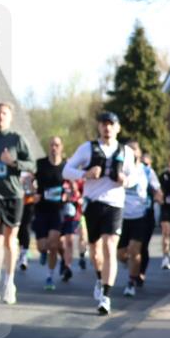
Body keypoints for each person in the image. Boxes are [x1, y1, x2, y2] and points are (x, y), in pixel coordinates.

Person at [63, 111, 134, 315]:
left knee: (110, 246)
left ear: (118, 128)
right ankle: (99, 277)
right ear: (99, 127)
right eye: (104, 124)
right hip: (93, 203)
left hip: (114, 203)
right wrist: (85, 174)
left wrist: (125, 180)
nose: (107, 128)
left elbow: (135, 176)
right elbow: (66, 171)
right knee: (95, 251)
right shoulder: (87, 148)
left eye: (111, 124)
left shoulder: (126, 151)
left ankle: (106, 296)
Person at [0, 103, 34, 304]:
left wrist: (13, 163)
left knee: (10, 241)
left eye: (4, 113)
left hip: (13, 195)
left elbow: (32, 164)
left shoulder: (17, 139)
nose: (1, 116)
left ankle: (9, 283)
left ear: (10, 117)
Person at [117, 140, 162, 297]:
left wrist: (159, 197)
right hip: (121, 216)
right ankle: (131, 266)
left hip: (140, 216)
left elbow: (157, 189)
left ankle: (131, 282)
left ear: (139, 153)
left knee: (135, 250)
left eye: (134, 149)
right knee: (121, 254)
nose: (131, 152)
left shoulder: (147, 172)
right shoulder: (120, 169)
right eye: (128, 149)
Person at [32, 136, 71, 290]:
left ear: (61, 147)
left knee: (53, 244)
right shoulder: (40, 164)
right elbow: (30, 179)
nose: (54, 147)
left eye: (57, 145)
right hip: (41, 209)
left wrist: (68, 193)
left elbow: (72, 185)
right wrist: (33, 192)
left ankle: (50, 276)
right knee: (42, 246)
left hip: (58, 210)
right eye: (51, 145)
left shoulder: (66, 166)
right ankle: (43, 252)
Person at [136, 150, 158, 287]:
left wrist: (158, 196)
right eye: (142, 163)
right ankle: (133, 265)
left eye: (147, 164)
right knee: (130, 247)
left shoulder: (150, 174)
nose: (144, 166)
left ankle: (141, 272)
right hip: (130, 214)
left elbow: (158, 192)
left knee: (143, 246)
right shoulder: (132, 173)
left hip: (147, 215)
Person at [17, 171, 37, 271]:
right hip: (15, 202)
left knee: (25, 228)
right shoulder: (14, 167)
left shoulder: (31, 171)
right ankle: (21, 251)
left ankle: (24, 255)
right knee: (18, 230)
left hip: (28, 204)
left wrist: (30, 183)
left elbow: (36, 189)